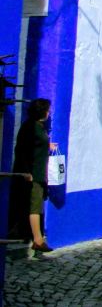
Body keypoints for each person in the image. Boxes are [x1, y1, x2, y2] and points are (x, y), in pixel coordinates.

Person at [10, 98, 56, 253]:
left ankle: (32, 235)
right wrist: (26, 171)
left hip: (39, 173)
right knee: (35, 207)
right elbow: (21, 150)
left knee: (37, 206)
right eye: (48, 110)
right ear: (42, 111)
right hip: (33, 174)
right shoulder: (30, 127)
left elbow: (37, 145)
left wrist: (48, 145)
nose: (49, 112)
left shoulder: (39, 127)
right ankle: (38, 240)